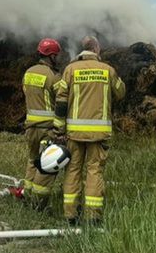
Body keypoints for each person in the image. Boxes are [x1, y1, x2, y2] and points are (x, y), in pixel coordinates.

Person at [54, 36, 126, 225]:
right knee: (95, 171)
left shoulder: (70, 70)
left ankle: (70, 214)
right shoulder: (107, 70)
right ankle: (93, 217)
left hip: (74, 133)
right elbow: (121, 92)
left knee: (73, 170)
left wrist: (59, 128)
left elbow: (60, 101)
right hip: (98, 133)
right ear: (96, 49)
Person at [21, 38, 64, 208]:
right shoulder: (53, 76)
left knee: (32, 160)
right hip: (47, 128)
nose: (58, 58)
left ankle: (27, 193)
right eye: (57, 55)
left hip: (30, 126)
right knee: (47, 166)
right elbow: (62, 100)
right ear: (51, 56)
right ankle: (38, 204)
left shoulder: (28, 73)